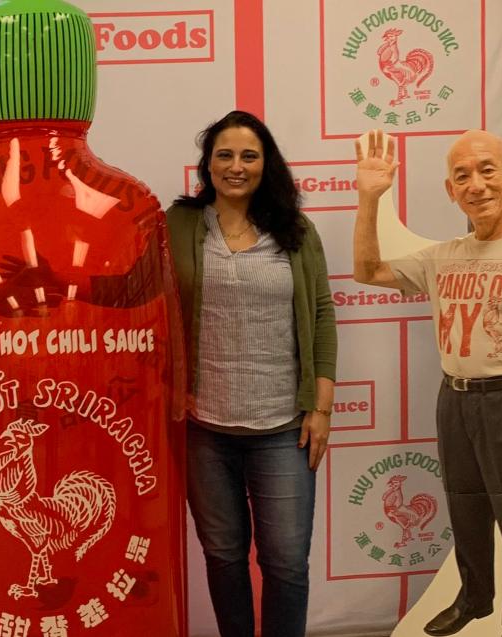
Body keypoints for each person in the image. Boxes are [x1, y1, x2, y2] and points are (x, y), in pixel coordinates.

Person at [353, 129, 502, 637]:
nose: (476, 184)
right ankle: (475, 595)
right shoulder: (443, 256)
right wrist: (370, 198)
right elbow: (367, 270)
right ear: (450, 190)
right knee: (466, 506)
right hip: (454, 401)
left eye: (486, 170)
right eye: (462, 176)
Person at [166, 111, 337, 637]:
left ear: (267, 164)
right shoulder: (179, 223)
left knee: (286, 564)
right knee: (223, 557)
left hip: (282, 428)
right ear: (207, 164)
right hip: (204, 429)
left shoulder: (294, 230)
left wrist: (322, 408)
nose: (236, 166)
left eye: (249, 155)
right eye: (224, 154)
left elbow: (323, 314)